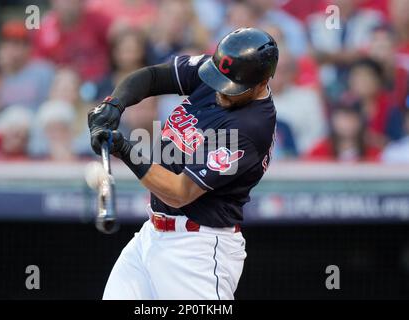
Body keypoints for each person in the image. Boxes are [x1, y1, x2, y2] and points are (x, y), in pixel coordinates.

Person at [88, 28, 278, 299]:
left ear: (261, 82)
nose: (221, 92)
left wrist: (123, 148)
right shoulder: (221, 70)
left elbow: (180, 192)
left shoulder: (250, 127)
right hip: (152, 234)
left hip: (197, 249)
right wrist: (114, 105)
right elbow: (152, 77)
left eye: (232, 89)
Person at [32, 0, 112, 82]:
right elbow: (39, 67)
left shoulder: (98, 20)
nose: (67, 5)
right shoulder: (45, 30)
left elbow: (119, 40)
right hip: (63, 87)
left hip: (100, 82)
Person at [0, 20, 55, 110]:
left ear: (28, 48)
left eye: (16, 44)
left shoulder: (43, 71)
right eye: (7, 44)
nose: (11, 49)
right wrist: (3, 69)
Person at [305, 106, 381, 162]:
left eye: (352, 118)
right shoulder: (319, 151)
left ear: (360, 122)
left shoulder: (372, 153)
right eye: (343, 119)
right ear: (333, 122)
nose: (347, 124)